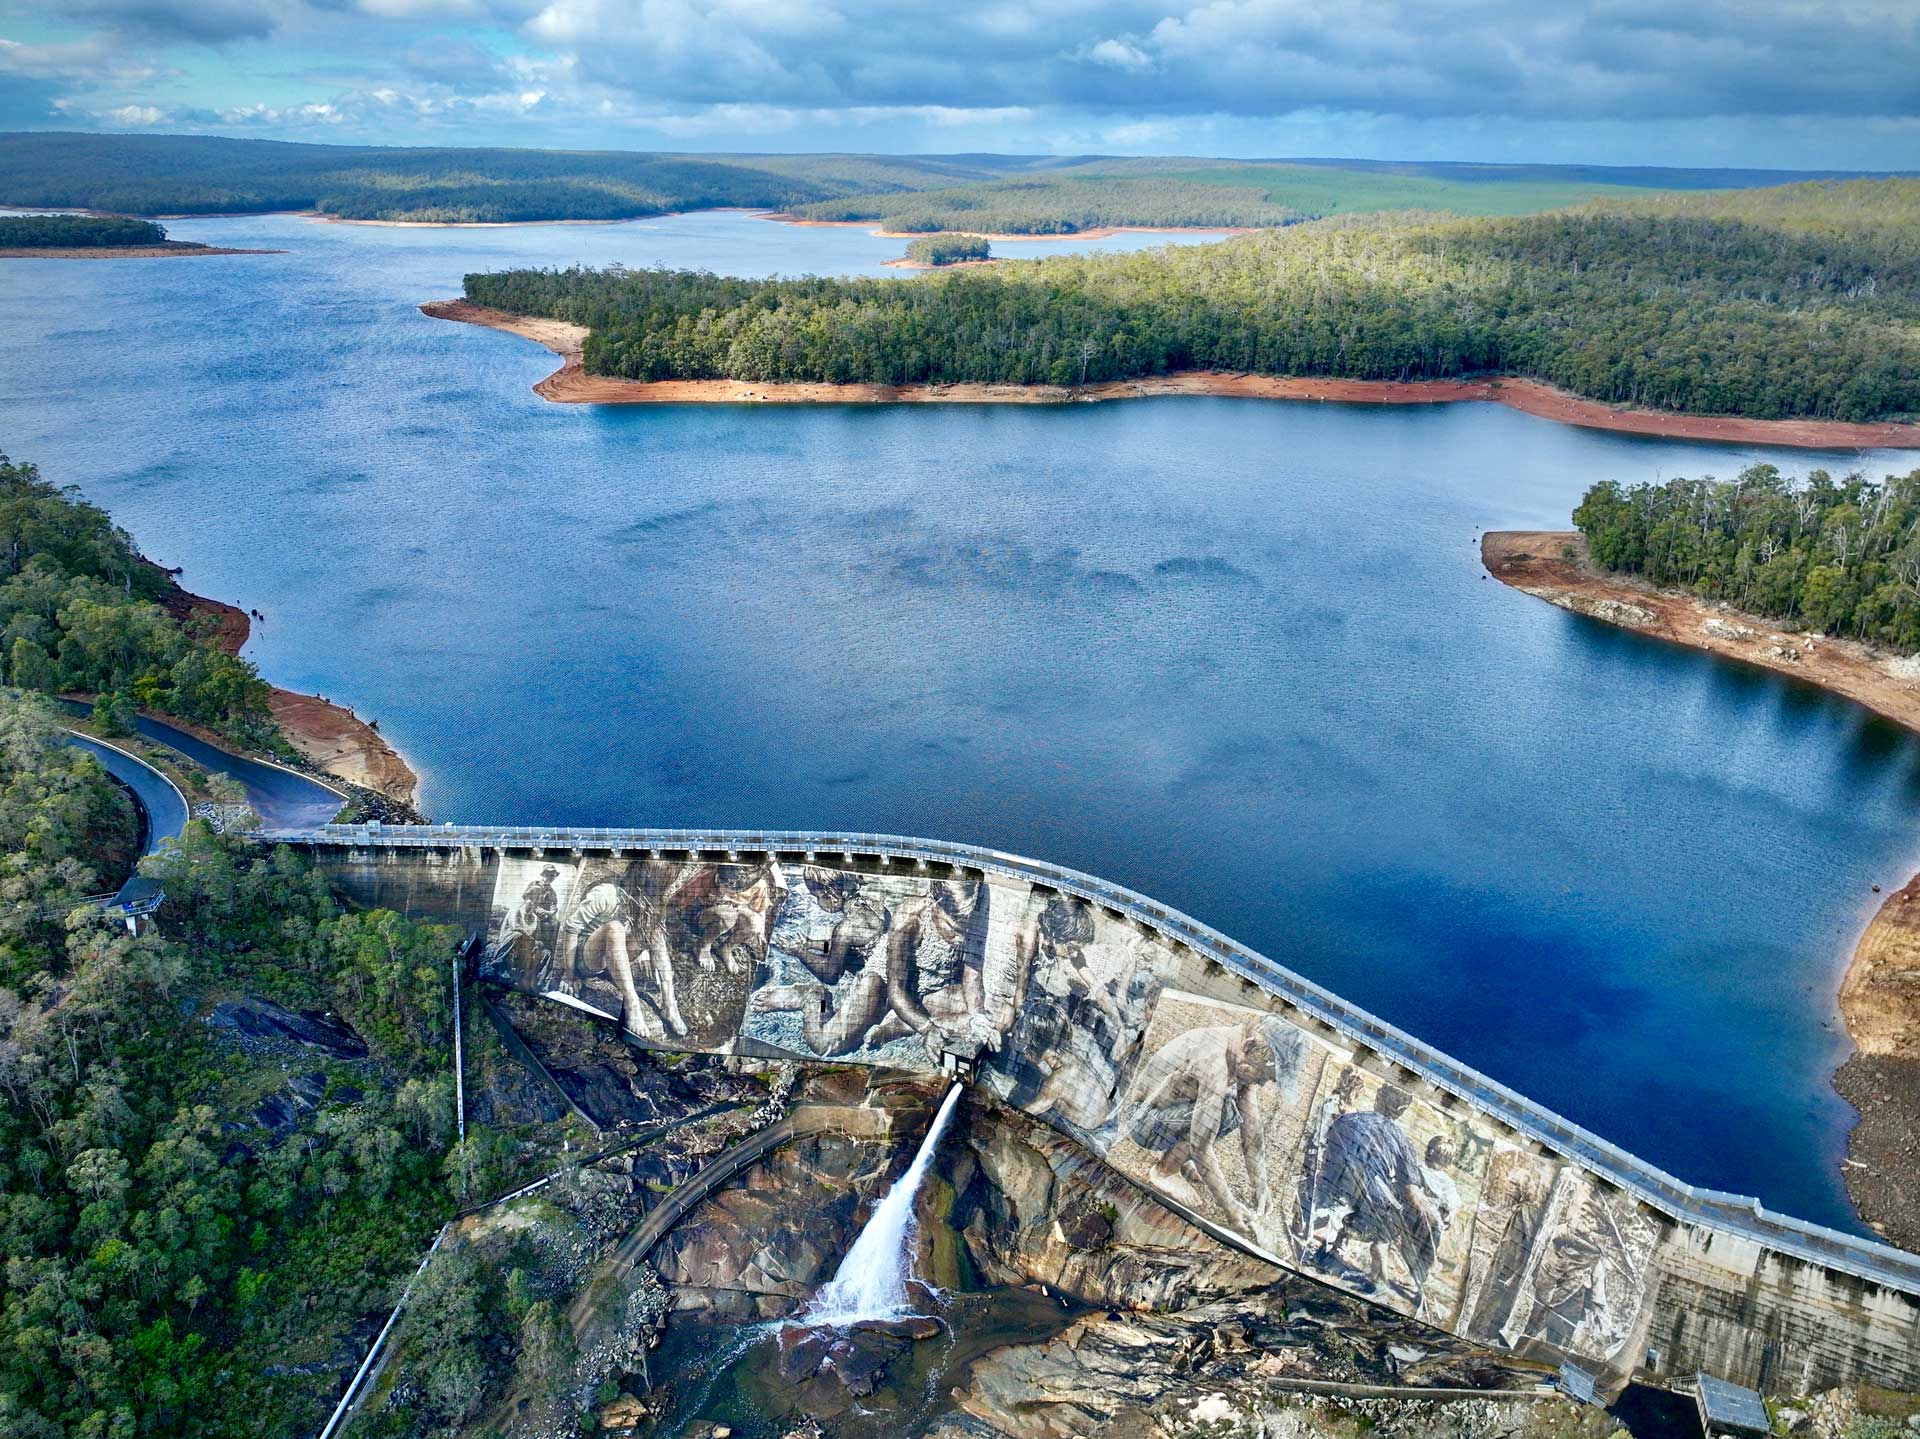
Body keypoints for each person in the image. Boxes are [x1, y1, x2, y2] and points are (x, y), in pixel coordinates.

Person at [1120, 1017, 1306, 1232]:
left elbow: (1252, 1131)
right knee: (1225, 1113)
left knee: (1231, 1111)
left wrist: (1260, 1184)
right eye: (1264, 1075)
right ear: (1249, 1047)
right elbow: (1201, 1144)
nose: (1263, 1083)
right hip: (1142, 1122)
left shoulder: (1241, 1057)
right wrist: (1229, 1206)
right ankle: (1164, 1172)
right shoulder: (1214, 1059)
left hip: (1167, 1114)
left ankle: (1177, 1157)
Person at [1305, 1084, 1441, 1302]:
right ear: (1402, 1109)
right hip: (1367, 1210)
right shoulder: (1400, 1140)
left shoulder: (1345, 1122)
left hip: (1332, 1195)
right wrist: (1429, 1217)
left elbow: (1325, 1162)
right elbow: (1412, 1191)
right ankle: (1380, 1280)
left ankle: (1370, 1273)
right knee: (1389, 1222)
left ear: (1378, 1095)